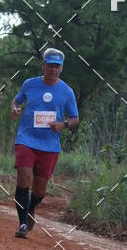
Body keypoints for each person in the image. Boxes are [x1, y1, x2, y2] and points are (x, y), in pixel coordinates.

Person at [10, 48, 79, 239]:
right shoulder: (30, 84)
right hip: (26, 139)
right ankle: (23, 223)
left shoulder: (66, 91)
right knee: (23, 178)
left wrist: (62, 124)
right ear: (44, 65)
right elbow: (16, 101)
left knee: (39, 190)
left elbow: (75, 119)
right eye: (50, 65)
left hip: (49, 145)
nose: (53, 70)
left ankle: (31, 207)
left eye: (57, 66)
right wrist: (15, 109)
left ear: (61, 68)